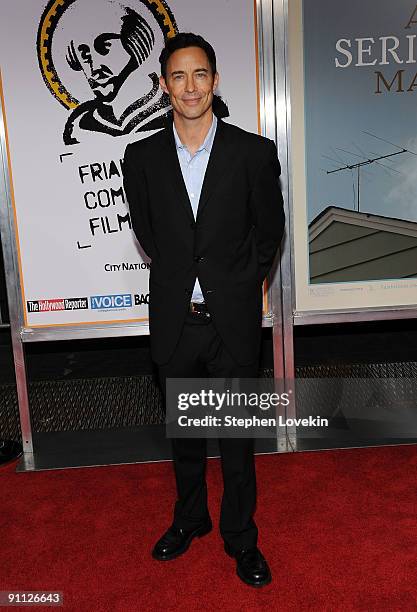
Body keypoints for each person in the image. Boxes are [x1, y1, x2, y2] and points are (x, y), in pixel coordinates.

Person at [123, 32, 285, 587]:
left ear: (215, 82)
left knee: (237, 444)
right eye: (177, 76)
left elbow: (270, 235)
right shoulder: (140, 157)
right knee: (184, 438)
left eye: (199, 75)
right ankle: (190, 518)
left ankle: (241, 538)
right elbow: (151, 235)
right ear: (164, 86)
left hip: (231, 325)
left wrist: (236, 287)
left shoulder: (252, 152)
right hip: (176, 324)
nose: (189, 87)